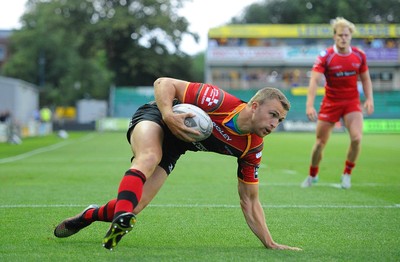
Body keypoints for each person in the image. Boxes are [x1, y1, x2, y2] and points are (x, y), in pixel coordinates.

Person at [54, 77, 301, 251]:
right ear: (255, 106)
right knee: (148, 156)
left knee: (136, 205)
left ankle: (88, 215)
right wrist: (169, 115)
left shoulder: (252, 146)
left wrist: (269, 242)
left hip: (176, 146)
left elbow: (249, 200)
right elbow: (163, 83)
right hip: (158, 117)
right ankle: (121, 218)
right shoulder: (218, 101)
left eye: (279, 120)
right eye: (273, 115)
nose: (274, 124)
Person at [301, 17, 374, 189]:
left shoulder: (359, 55)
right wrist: (309, 105)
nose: (343, 38)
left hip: (352, 103)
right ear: (334, 36)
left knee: (356, 138)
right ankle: (313, 175)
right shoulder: (325, 56)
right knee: (319, 143)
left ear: (351, 36)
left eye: (346, 35)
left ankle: (347, 174)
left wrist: (370, 98)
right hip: (331, 102)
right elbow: (314, 81)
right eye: (340, 35)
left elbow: (366, 79)